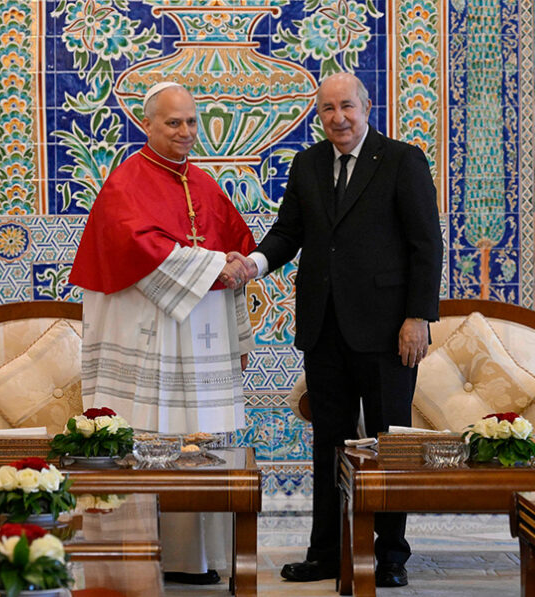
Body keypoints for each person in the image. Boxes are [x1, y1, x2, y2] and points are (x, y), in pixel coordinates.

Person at [238, 72, 443, 587]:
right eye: (327, 109)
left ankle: (391, 555)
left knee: (387, 444)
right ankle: (326, 552)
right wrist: (254, 265)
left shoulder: (401, 160)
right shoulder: (307, 164)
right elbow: (289, 232)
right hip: (324, 328)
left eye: (346, 106)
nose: (338, 118)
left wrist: (417, 317)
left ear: (367, 106)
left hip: (389, 331)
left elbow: (427, 245)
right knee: (329, 445)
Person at [68, 82, 255, 584]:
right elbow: (139, 249)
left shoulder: (205, 183)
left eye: (192, 121)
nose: (186, 132)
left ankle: (199, 559)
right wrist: (218, 265)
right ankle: (131, 557)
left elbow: (236, 244)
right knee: (146, 442)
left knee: (200, 445)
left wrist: (235, 264)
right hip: (148, 336)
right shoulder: (125, 183)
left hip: (197, 337)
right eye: (173, 122)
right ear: (146, 124)